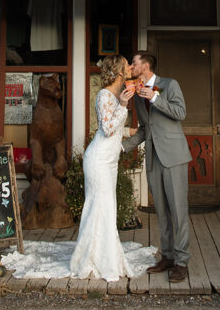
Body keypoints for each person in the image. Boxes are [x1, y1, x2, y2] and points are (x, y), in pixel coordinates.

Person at [122, 50, 191, 283]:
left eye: (134, 62)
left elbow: (180, 113)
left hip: (174, 157)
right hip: (153, 158)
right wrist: (122, 148)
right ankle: (168, 256)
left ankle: (182, 262)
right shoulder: (138, 95)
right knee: (161, 212)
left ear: (146, 65)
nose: (131, 66)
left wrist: (154, 98)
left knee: (179, 212)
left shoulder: (170, 85)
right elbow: (144, 129)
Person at [69, 54, 139, 282]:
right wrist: (124, 105)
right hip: (98, 161)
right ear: (119, 71)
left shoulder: (116, 95)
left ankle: (105, 255)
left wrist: (139, 131)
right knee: (101, 207)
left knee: (107, 209)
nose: (130, 67)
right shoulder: (104, 95)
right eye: (127, 64)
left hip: (110, 162)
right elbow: (107, 128)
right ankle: (92, 258)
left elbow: (118, 130)